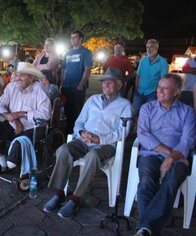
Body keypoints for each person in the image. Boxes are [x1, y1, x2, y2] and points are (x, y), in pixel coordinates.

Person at [43, 67, 133, 219]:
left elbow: (123, 132)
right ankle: (59, 193)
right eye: (104, 83)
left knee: (92, 157)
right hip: (83, 140)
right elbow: (79, 122)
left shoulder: (125, 105)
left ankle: (76, 198)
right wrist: (81, 133)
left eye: (110, 83)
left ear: (120, 85)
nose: (105, 86)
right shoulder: (92, 100)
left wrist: (100, 139)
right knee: (63, 150)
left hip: (105, 145)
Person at [134, 73, 195, 236]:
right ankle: (148, 228)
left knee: (171, 182)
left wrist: (172, 159)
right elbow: (143, 134)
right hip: (151, 154)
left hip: (179, 159)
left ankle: (144, 229)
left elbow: (188, 140)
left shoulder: (187, 111)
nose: (159, 91)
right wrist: (169, 154)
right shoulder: (147, 108)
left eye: (165, 88)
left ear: (176, 91)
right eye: (159, 87)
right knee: (146, 181)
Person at [0, 62, 51, 179]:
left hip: (32, 127)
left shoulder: (39, 89)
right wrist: (12, 119)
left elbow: (45, 114)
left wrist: (20, 114)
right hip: (12, 126)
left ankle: (12, 163)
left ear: (31, 77)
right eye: (16, 75)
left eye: (21, 75)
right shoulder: (11, 86)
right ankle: (2, 164)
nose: (17, 78)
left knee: (18, 144)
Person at [60, 30, 93, 133]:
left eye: (74, 37)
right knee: (67, 110)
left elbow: (87, 69)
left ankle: (77, 133)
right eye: (71, 38)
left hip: (77, 87)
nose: (72, 40)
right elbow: (63, 70)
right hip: (66, 86)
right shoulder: (68, 53)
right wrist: (62, 84)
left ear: (80, 39)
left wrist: (81, 85)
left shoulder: (86, 52)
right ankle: (69, 131)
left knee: (77, 111)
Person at [133, 39, 168, 115]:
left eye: (151, 47)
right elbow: (138, 74)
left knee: (149, 113)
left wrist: (156, 90)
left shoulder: (163, 62)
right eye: (147, 47)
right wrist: (136, 85)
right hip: (139, 91)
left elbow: (163, 79)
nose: (148, 49)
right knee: (135, 112)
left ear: (156, 48)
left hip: (152, 92)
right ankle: (136, 126)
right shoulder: (143, 60)